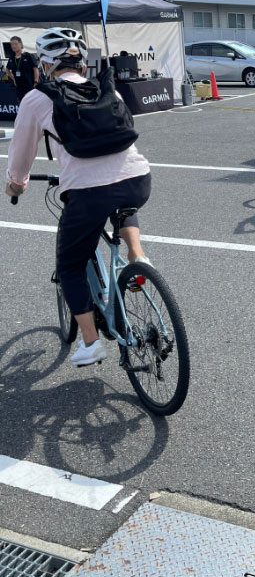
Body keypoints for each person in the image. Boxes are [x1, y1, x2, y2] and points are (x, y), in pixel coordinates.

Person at [5, 27, 152, 368]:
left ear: (45, 64)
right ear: (83, 64)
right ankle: (138, 255)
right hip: (137, 178)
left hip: (87, 192)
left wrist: (16, 185)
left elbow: (21, 154)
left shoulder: (37, 98)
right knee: (122, 204)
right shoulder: (106, 89)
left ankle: (90, 342)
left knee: (70, 265)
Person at [6, 36, 39, 104]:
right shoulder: (12, 58)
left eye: (15, 44)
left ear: (21, 45)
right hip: (19, 87)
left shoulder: (28, 56)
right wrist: (13, 79)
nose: (14, 46)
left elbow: (35, 69)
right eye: (12, 44)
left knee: (31, 104)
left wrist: (36, 81)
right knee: (21, 104)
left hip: (30, 86)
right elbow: (7, 70)